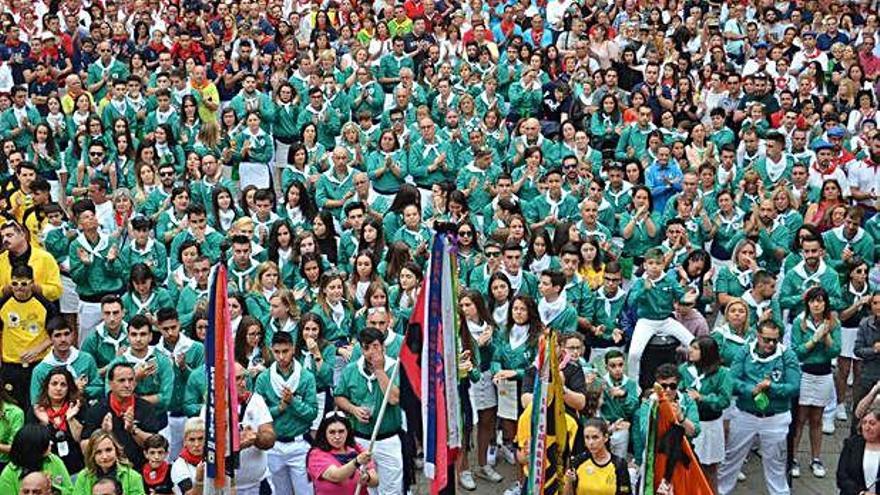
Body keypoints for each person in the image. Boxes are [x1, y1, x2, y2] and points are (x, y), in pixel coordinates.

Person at [717, 321, 802, 495]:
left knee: (776, 464)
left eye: (774, 340)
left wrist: (772, 387)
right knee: (731, 459)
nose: (771, 344)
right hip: (745, 414)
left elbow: (794, 386)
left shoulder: (787, 355)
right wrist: (751, 389)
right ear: (757, 335)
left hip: (775, 416)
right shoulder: (745, 351)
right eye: (766, 339)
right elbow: (731, 380)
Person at [334, 327, 402, 495]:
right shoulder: (351, 370)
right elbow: (339, 397)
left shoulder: (394, 368)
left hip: (388, 439)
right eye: (366, 348)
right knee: (368, 487)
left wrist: (379, 370)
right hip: (361, 439)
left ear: (383, 347)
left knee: (391, 489)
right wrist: (353, 409)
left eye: (375, 346)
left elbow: (394, 398)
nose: (371, 352)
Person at [253, 331, 317, 495]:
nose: (281, 357)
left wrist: (293, 402)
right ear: (271, 350)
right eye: (277, 352)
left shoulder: (306, 377)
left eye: (285, 351)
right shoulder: (263, 379)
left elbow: (313, 413)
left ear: (293, 349)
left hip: (300, 444)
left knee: (306, 492)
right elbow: (257, 414)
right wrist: (280, 408)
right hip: (274, 445)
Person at [625, 248, 697, 383]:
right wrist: (643, 290)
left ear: (663, 265)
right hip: (646, 321)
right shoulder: (640, 282)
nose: (654, 266)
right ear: (645, 265)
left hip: (666, 320)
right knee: (634, 353)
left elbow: (681, 295)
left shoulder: (669, 280)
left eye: (658, 263)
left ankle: (693, 377)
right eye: (651, 263)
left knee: (693, 343)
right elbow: (630, 302)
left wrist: (689, 295)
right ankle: (633, 384)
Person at [80, 363, 165, 471]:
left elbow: (155, 447)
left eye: (131, 380)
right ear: (110, 383)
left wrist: (133, 430)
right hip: (105, 471)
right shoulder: (97, 409)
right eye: (121, 380)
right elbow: (84, 447)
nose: (127, 385)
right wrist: (103, 433)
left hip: (140, 470)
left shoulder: (146, 408)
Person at [0, 264, 55, 411]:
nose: (19, 288)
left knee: (36, 405)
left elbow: (54, 335)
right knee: (13, 406)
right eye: (15, 283)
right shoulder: (3, 304)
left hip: (36, 364)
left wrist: (38, 349)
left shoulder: (45, 305)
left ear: (32, 283)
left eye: (24, 283)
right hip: (10, 365)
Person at [306, 411, 379, 495]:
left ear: (347, 432)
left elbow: (375, 481)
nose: (337, 436)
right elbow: (336, 476)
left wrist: (368, 478)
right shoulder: (316, 454)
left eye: (341, 431)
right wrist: (357, 462)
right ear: (324, 433)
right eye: (332, 432)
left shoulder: (357, 448)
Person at [31, 366, 86, 474]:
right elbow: (33, 446)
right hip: (45, 469)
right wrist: (45, 423)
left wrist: (71, 419)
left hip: (76, 468)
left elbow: (82, 441)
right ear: (47, 387)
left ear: (69, 388)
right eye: (54, 384)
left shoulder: (78, 407)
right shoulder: (37, 410)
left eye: (63, 385)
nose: (58, 388)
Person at [562, 418, 632, 495]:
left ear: (605, 437)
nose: (591, 442)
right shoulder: (577, 462)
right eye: (587, 437)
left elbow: (625, 492)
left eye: (595, 437)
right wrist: (569, 482)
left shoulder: (619, 465)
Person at [0, 424, 73, 495]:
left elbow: (70, 491)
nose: (51, 443)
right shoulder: (10, 473)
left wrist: (53, 488)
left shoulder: (54, 460)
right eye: (47, 442)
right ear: (35, 447)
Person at [73, 430, 146, 495]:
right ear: (92, 455)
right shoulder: (83, 477)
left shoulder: (133, 477)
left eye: (108, 450)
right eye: (98, 452)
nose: (104, 456)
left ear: (116, 450)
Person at [837, 406, 880, 495]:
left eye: (872, 423)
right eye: (864, 423)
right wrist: (861, 493)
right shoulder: (851, 444)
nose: (867, 428)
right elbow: (842, 476)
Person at [169, 418, 205, 495]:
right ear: (185, 442)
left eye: (200, 439)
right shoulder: (179, 465)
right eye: (192, 440)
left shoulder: (215, 459)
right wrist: (199, 480)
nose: (196, 444)